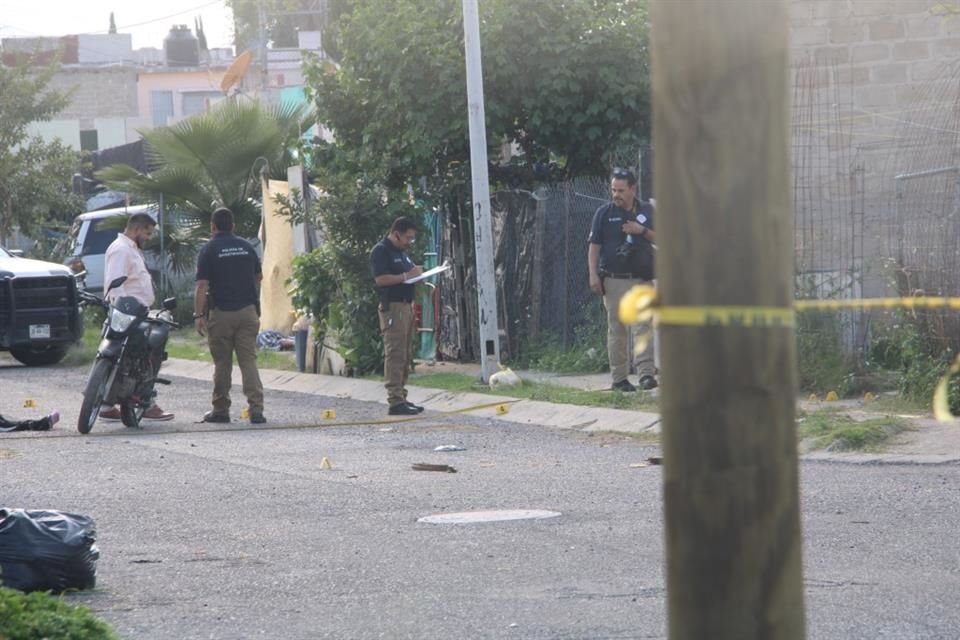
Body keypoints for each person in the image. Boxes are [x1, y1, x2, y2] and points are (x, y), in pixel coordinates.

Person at [587, 167, 658, 392]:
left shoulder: (647, 210)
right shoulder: (604, 213)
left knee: (643, 327)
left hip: (641, 278)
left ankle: (646, 374)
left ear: (632, 189)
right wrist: (592, 275)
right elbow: (594, 247)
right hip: (614, 280)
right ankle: (619, 378)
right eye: (613, 189)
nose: (616, 194)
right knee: (617, 329)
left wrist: (642, 231)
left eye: (620, 190)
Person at [99, 213, 174, 421]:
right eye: (147, 233)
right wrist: (123, 313)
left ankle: (125, 400)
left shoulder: (132, 249)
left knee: (142, 353)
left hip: (137, 313)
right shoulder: (122, 250)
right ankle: (145, 400)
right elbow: (115, 286)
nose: (149, 237)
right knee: (146, 352)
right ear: (136, 229)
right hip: (127, 314)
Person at [193, 207, 265, 424]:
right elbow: (259, 277)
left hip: (222, 313)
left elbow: (202, 285)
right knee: (248, 361)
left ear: (212, 227)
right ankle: (257, 410)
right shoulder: (246, 247)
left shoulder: (209, 250)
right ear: (233, 226)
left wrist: (198, 314)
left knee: (222, 363)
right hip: (247, 312)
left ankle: (221, 410)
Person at [370, 217, 425, 416]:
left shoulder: (402, 253)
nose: (410, 242)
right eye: (407, 238)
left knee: (405, 353)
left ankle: (402, 395)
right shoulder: (381, 251)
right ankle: (394, 399)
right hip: (392, 307)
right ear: (396, 234)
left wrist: (417, 275)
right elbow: (381, 279)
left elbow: (408, 274)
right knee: (394, 353)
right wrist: (406, 277)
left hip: (406, 306)